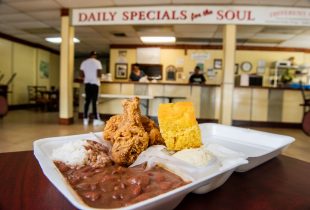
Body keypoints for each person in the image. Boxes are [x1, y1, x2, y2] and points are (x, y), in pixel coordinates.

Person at [80, 51, 104, 126]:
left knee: (87, 102)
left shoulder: (84, 62)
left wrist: (87, 78)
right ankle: (96, 119)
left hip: (87, 84)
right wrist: (98, 78)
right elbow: (99, 74)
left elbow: (81, 74)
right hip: (95, 84)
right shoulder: (97, 62)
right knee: (94, 102)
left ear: (89, 55)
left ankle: (85, 119)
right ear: (95, 56)